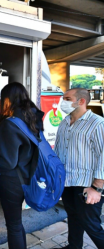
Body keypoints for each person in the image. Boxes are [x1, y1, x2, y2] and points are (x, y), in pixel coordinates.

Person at [0, 82, 44, 249]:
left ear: (7, 99)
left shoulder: (10, 123)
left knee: (13, 225)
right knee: (17, 224)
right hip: (29, 176)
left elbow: (8, 162)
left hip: (13, 181)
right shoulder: (34, 118)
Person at [54, 88, 104, 249]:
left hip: (87, 185)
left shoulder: (97, 123)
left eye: (67, 98)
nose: (63, 102)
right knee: (73, 218)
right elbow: (59, 151)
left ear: (81, 101)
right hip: (67, 183)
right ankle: (73, 246)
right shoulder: (64, 122)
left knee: (91, 225)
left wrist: (97, 188)